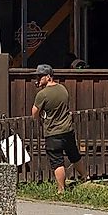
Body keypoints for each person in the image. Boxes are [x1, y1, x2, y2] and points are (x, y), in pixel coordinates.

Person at [33, 65, 80, 193]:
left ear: (48, 77)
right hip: (67, 128)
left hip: (53, 131)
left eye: (40, 76)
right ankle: (85, 177)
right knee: (74, 155)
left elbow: (34, 113)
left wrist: (42, 115)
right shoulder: (63, 89)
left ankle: (61, 189)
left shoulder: (42, 94)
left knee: (57, 161)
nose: (38, 78)